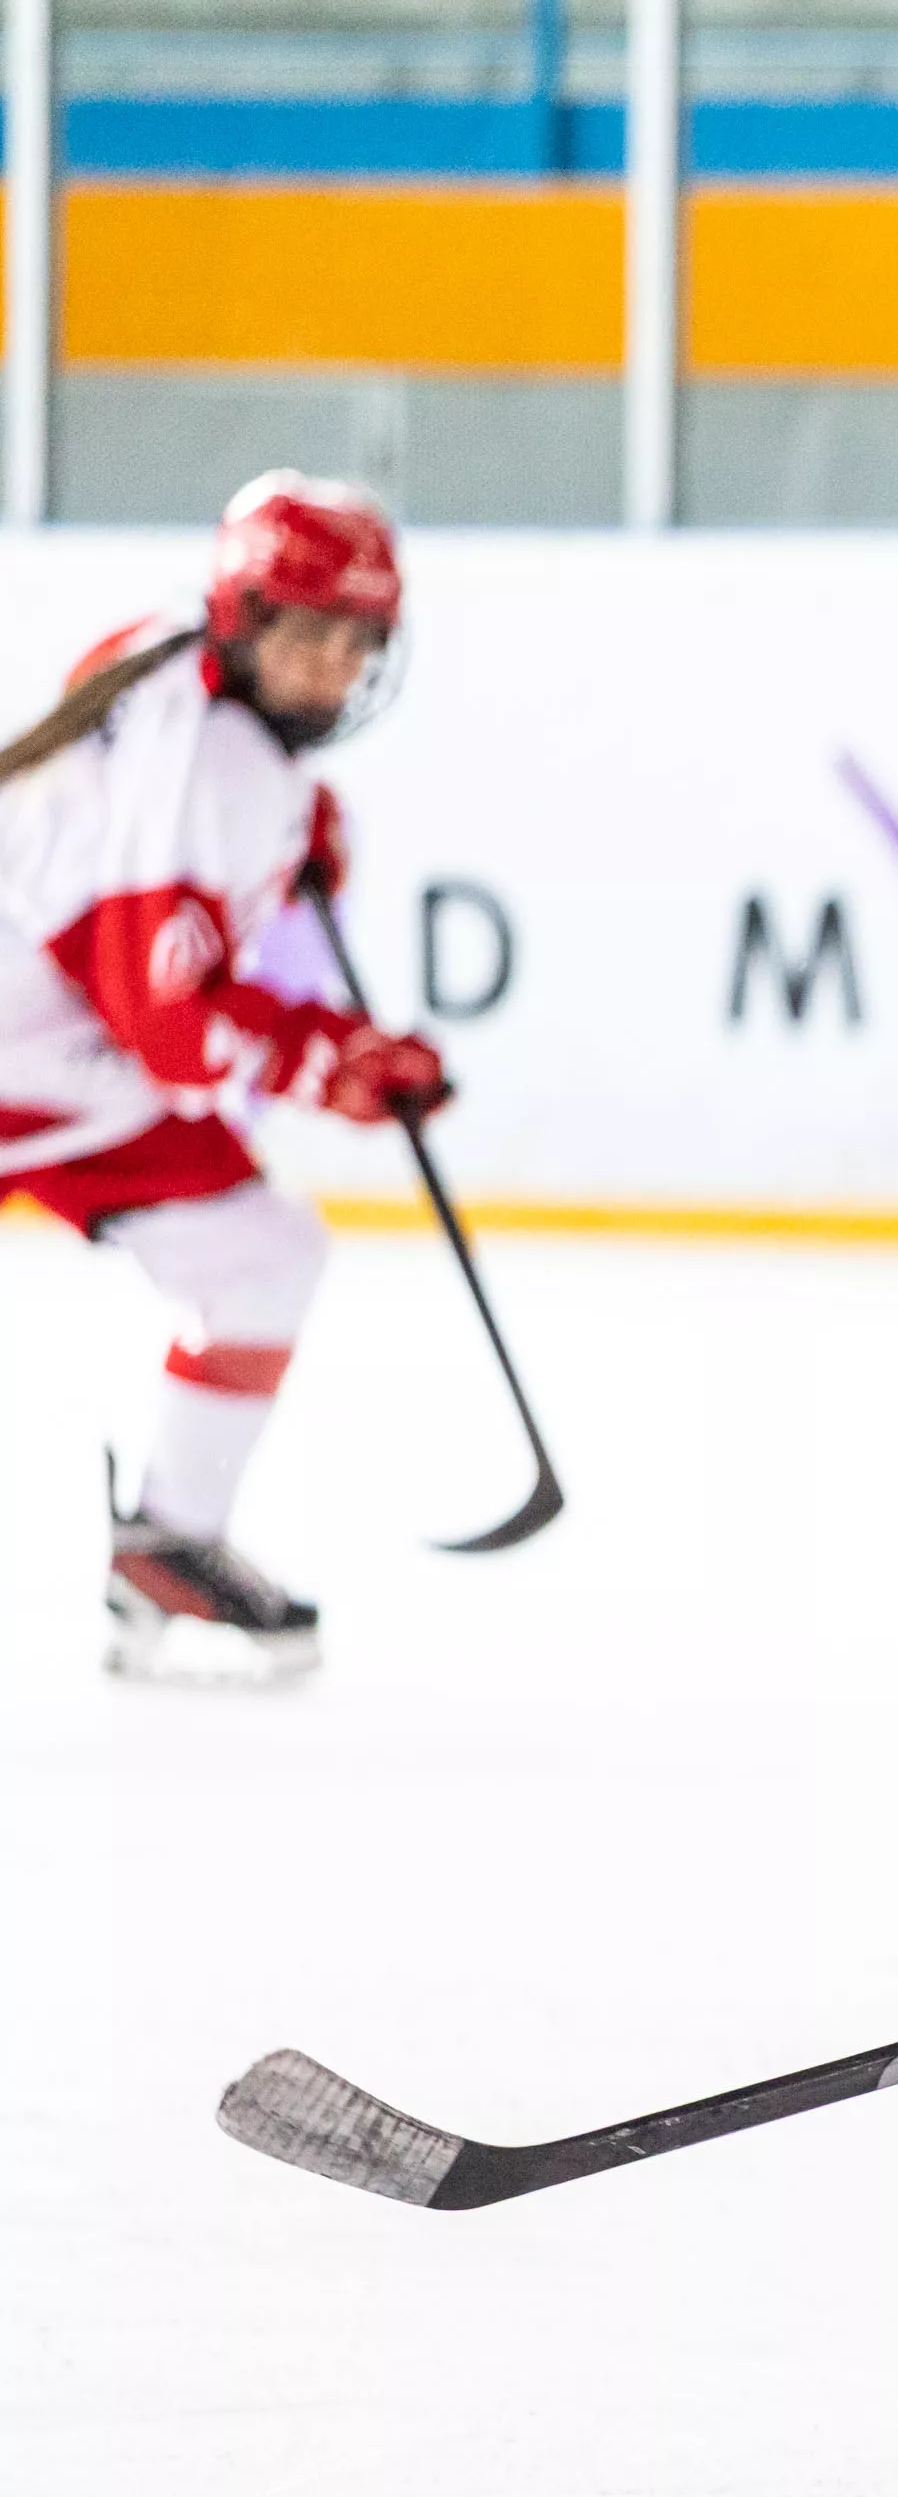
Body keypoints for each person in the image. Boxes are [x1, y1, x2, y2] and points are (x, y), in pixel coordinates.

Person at [0, 470, 438, 1685]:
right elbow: (171, 1027)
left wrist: (284, 835)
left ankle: (172, 1542)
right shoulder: (227, 771)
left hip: (46, 1062)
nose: (332, 667)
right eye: (308, 634)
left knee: (265, 1253)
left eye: (355, 640)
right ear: (245, 620)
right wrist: (334, 1058)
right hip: (42, 1067)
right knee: (264, 1255)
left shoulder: (158, 653)